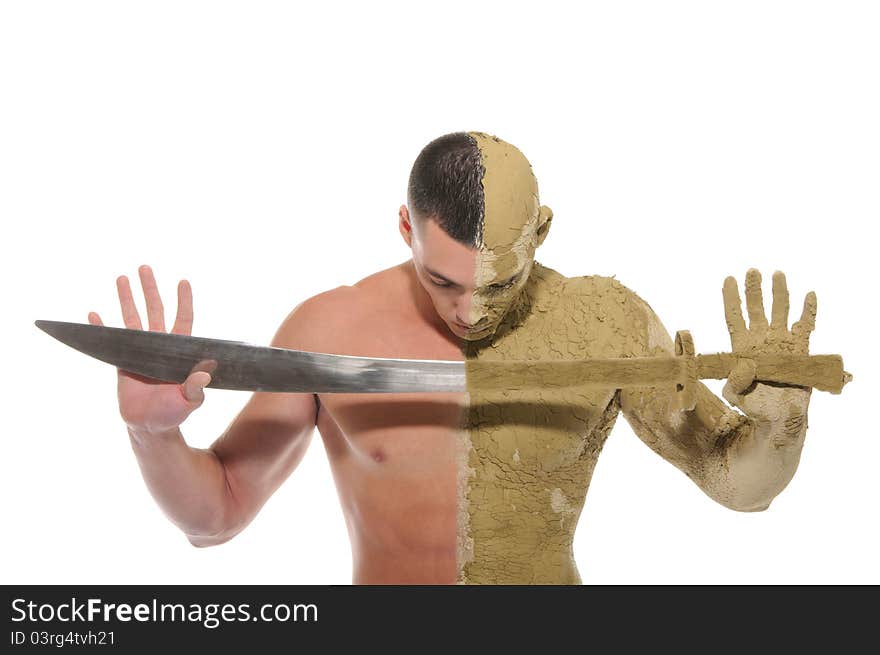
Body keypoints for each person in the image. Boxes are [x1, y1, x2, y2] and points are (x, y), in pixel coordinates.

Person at [88, 131, 817, 584]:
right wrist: (153, 434)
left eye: (499, 282)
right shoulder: (331, 327)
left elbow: (741, 484)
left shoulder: (603, 324)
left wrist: (781, 414)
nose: (471, 309)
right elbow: (214, 514)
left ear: (542, 233)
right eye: (443, 280)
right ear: (406, 225)